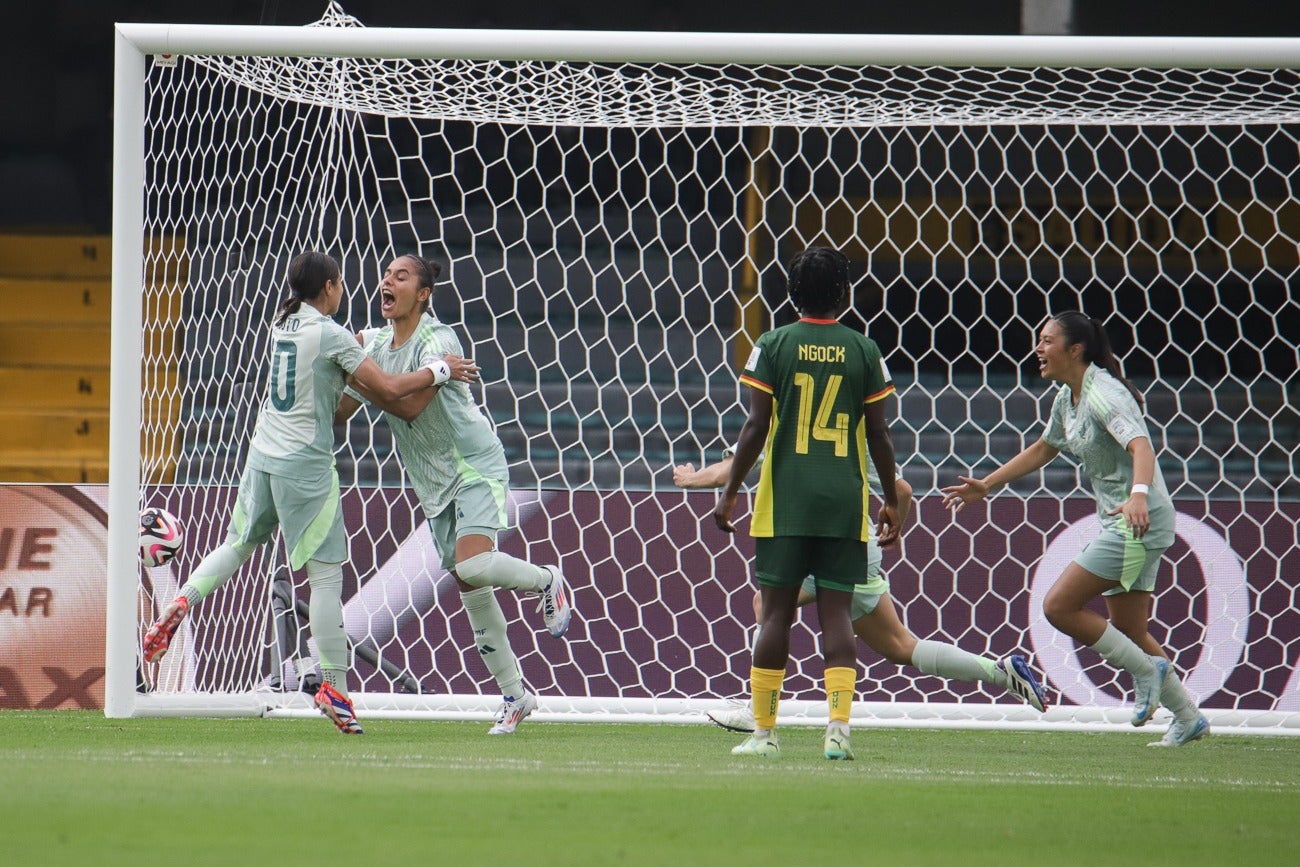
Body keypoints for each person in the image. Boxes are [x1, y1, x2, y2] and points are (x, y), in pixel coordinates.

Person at [142, 251, 469, 735]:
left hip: (262, 453)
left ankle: (181, 601)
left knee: (238, 544)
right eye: (342, 285)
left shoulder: (283, 323)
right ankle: (334, 686)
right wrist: (440, 369)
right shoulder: (331, 335)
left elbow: (342, 392)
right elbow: (392, 388)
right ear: (331, 287)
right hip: (305, 466)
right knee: (324, 577)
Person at [941, 311, 1209, 747]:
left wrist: (1138, 495)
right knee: (1131, 631)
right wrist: (986, 485)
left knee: (1059, 606)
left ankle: (1148, 671)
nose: (1038, 349)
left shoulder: (1104, 394)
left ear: (1075, 350)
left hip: (1136, 520)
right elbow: (1045, 447)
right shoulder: (1068, 397)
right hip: (1128, 519)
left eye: (1046, 341)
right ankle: (1188, 715)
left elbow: (1141, 445)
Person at [334, 253, 573, 735]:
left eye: (401, 276)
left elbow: (413, 406)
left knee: (472, 565)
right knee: (472, 589)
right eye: (386, 274)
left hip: (473, 466)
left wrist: (371, 377)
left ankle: (547, 579)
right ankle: (516, 695)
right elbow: (341, 413)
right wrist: (345, 372)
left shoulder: (438, 340)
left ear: (422, 294)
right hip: (433, 484)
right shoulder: (376, 344)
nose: (388, 281)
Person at [673, 457, 1046, 733]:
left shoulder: (786, 418)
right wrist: (896, 525)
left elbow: (732, 465)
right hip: (862, 544)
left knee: (766, 605)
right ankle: (1001, 673)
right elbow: (902, 490)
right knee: (900, 646)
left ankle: (761, 714)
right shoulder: (851, 428)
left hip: (826, 545)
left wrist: (690, 479)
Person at [712, 246, 903, 761]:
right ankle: (838, 729)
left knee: (774, 614)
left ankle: (765, 735)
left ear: (791, 292)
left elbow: (755, 426)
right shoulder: (864, 349)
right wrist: (889, 498)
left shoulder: (771, 344)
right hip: (844, 499)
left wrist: (730, 492)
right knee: (837, 615)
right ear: (844, 293)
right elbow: (880, 434)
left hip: (786, 500)